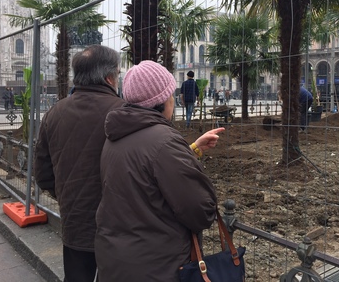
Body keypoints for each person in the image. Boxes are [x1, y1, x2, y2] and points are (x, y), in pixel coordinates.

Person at [94, 61, 224, 281]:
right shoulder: (164, 142)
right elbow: (200, 211)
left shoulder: (116, 136)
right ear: (161, 101)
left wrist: (191, 149)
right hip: (158, 266)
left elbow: (143, 179)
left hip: (117, 259)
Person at [34, 45, 124, 282]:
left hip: (75, 221)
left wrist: (67, 192)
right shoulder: (125, 113)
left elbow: (42, 174)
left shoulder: (54, 113)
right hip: (120, 224)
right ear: (109, 77)